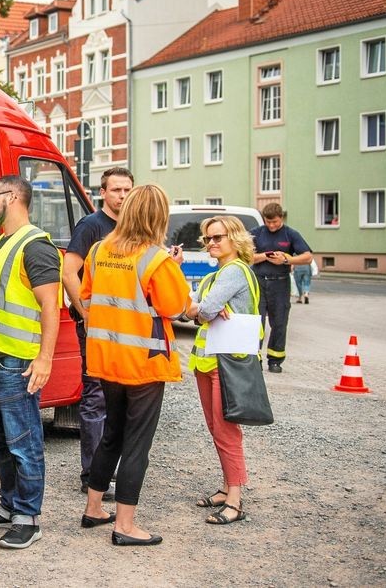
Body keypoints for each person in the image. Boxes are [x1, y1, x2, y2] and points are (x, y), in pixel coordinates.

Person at [79, 184, 190, 547]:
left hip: (107, 359)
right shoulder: (156, 259)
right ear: (159, 217)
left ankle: (94, 508)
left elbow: (87, 297)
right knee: (137, 444)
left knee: (111, 434)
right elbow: (176, 308)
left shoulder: (98, 250)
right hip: (143, 362)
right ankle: (125, 525)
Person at [0, 176, 61, 550]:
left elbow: (50, 307)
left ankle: (28, 517)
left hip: (18, 362)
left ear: (11, 198)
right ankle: (9, 508)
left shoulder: (35, 246)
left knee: (24, 443)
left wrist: (45, 359)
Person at [184, 216, 261, 525]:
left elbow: (201, 310)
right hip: (208, 362)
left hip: (228, 364)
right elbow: (190, 309)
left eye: (217, 237)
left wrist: (201, 309)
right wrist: (201, 309)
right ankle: (228, 487)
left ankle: (235, 501)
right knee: (218, 429)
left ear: (234, 239)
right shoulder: (214, 276)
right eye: (208, 239)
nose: (211, 243)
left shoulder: (234, 272)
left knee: (227, 431)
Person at [62, 166, 133, 499]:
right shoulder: (91, 226)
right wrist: (84, 310)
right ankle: (92, 474)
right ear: (103, 192)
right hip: (94, 327)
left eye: (127, 190)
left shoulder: (132, 228)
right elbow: (68, 271)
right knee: (95, 398)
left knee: (119, 398)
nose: (122, 195)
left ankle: (108, 470)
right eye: (117, 190)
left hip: (125, 328)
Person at [250, 203, 312, 373]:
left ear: (281, 218)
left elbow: (307, 257)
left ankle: (275, 360)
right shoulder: (256, 233)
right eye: (268, 222)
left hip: (280, 282)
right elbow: (245, 256)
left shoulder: (290, 234)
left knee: (279, 322)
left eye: (275, 222)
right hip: (259, 281)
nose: (271, 225)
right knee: (256, 321)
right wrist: (265, 256)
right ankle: (254, 358)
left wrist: (286, 260)